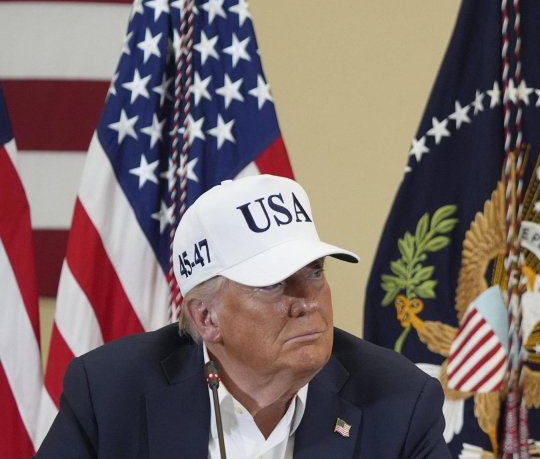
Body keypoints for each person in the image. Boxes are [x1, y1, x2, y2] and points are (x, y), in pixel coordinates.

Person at [38, 174, 451, 458]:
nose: (307, 301)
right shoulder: (109, 394)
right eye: (273, 284)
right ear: (206, 319)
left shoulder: (400, 401)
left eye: (315, 272)